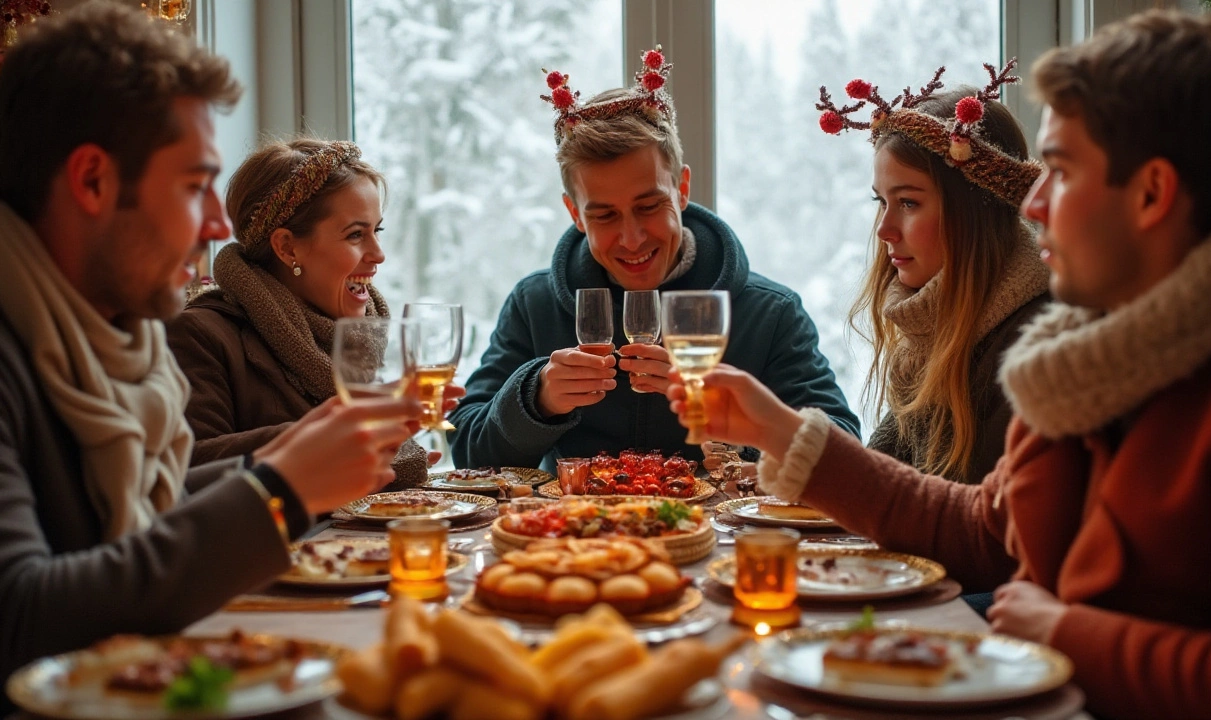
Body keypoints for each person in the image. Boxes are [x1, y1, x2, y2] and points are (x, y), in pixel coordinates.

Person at [669, 10, 1211, 719]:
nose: (1035, 203)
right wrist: (779, 430)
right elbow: (984, 531)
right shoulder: (1084, 357)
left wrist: (1064, 634)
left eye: (1060, 172)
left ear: (1151, 194)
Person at [0, 2, 420, 692]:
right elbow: (20, 616)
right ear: (92, 181)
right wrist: (280, 491)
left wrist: (278, 461)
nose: (221, 224)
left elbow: (140, 513)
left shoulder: (100, 341)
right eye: (196, 186)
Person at [450, 46, 860, 470]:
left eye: (649, 206)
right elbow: (465, 450)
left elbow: (845, 454)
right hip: (572, 536)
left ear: (682, 189)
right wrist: (535, 399)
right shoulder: (534, 304)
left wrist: (740, 429)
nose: (631, 238)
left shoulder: (770, 313)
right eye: (604, 215)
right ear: (574, 214)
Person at [167, 139, 462, 483]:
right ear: (287, 247)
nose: (379, 254)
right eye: (355, 235)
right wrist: (329, 437)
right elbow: (185, 474)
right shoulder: (200, 335)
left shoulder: (359, 338)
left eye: (376, 230)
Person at [818, 69, 1050, 484]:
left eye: (908, 202)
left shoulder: (1032, 354)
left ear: (974, 214)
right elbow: (877, 486)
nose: (884, 230)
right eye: (881, 202)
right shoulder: (933, 334)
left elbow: (975, 533)